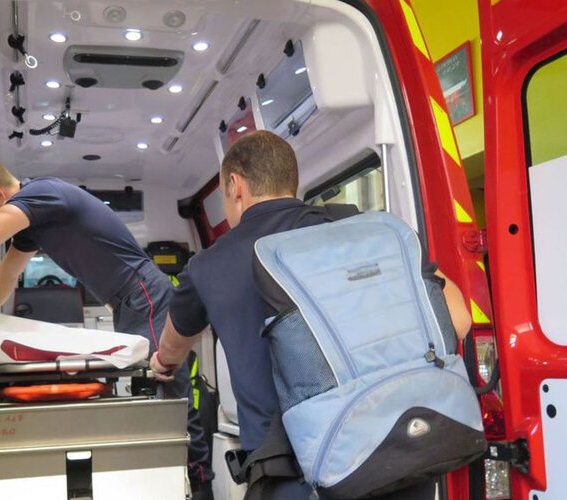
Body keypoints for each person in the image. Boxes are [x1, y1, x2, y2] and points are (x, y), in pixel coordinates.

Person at [150, 131, 472, 499]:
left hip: (295, 478)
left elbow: (173, 345)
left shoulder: (208, 266)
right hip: (399, 457)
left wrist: (163, 364)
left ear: (236, 186)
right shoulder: (369, 231)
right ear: (292, 180)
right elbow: (458, 320)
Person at [0, 158, 213, 495]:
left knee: (170, 404)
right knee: (154, 403)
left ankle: (200, 488)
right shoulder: (33, 225)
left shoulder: (43, 193)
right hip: (130, 304)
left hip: (145, 296)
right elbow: (5, 276)